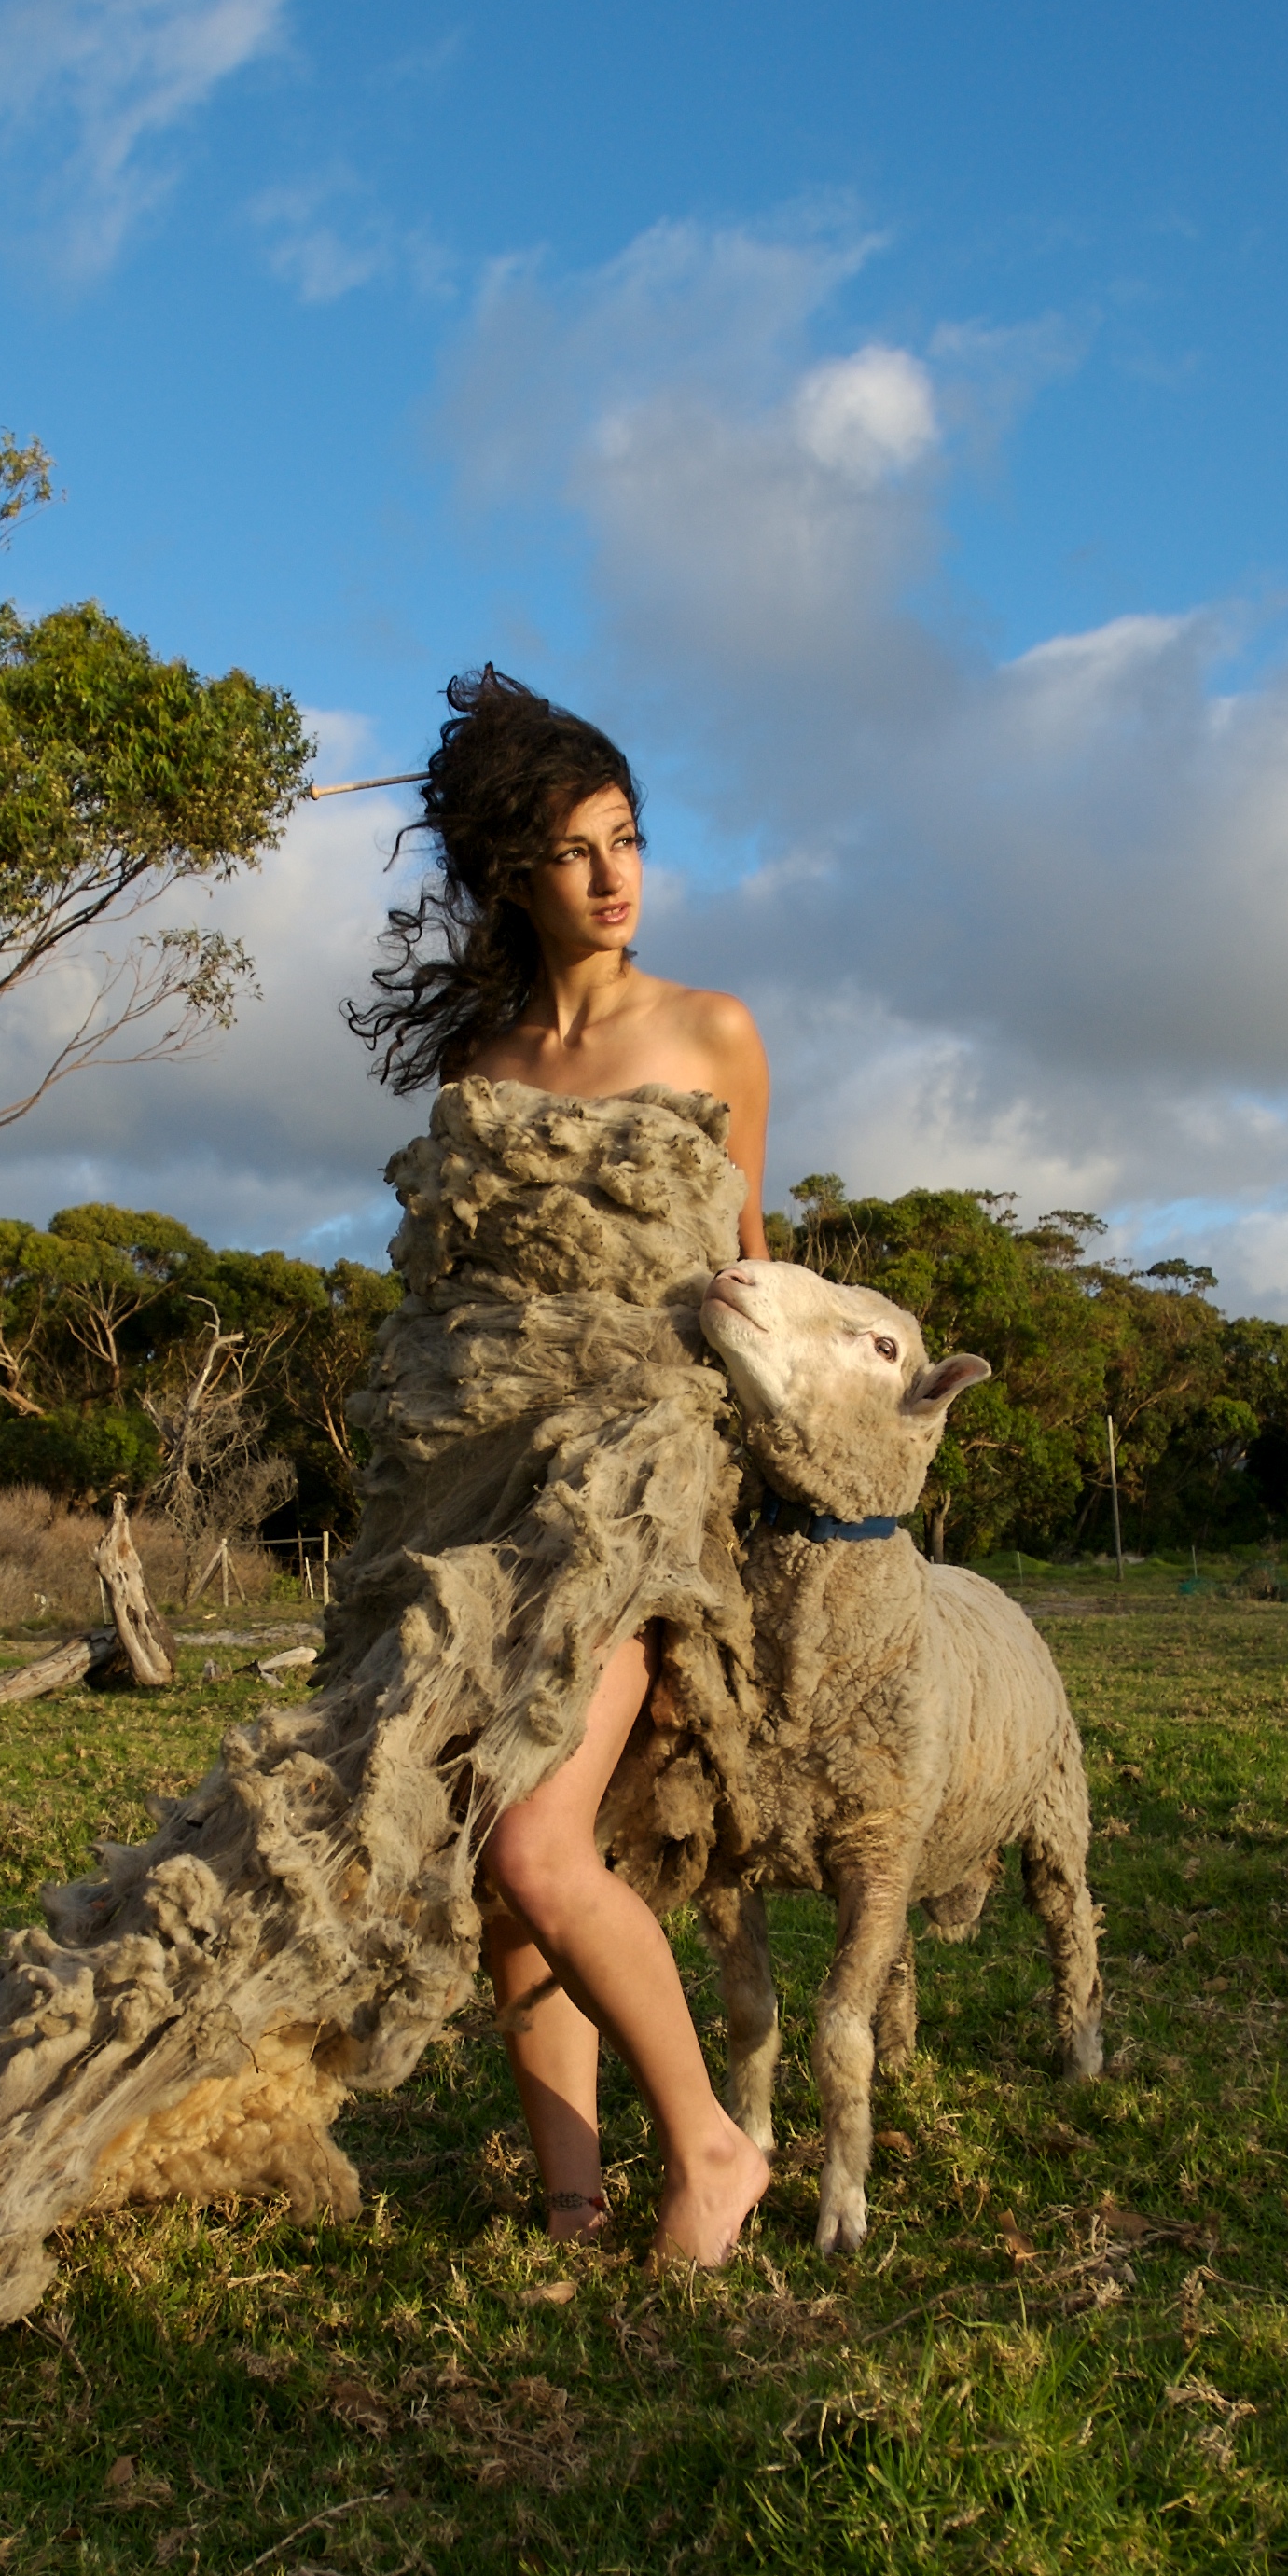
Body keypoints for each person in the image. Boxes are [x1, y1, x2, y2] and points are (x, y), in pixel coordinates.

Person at [349, 666, 771, 2265]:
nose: (613, 878)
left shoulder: (714, 1032)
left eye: (629, 839)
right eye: (576, 851)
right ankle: (573, 2202)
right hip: (486, 1498)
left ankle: (713, 2150)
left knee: (536, 1835)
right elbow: (454, 1306)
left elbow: (747, 1277)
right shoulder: (485, 1060)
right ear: (510, 876)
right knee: (494, 1864)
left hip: (639, 1491)